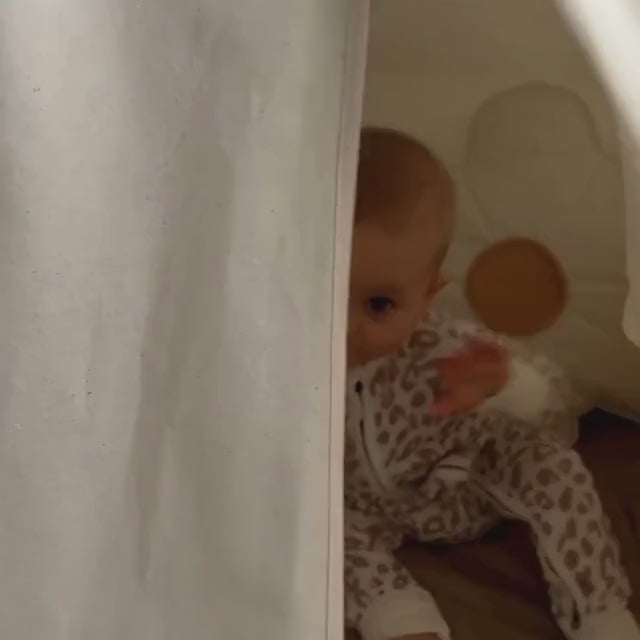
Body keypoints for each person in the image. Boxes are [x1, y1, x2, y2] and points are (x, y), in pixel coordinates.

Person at [344, 128, 639, 640]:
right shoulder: (287, 365)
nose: (345, 327)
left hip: (465, 482)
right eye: (327, 293)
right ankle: (400, 617)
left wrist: (504, 384)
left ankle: (599, 612)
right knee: (321, 528)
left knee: (552, 468)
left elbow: (553, 409)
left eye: (379, 305)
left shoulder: (443, 349)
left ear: (427, 296)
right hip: (367, 509)